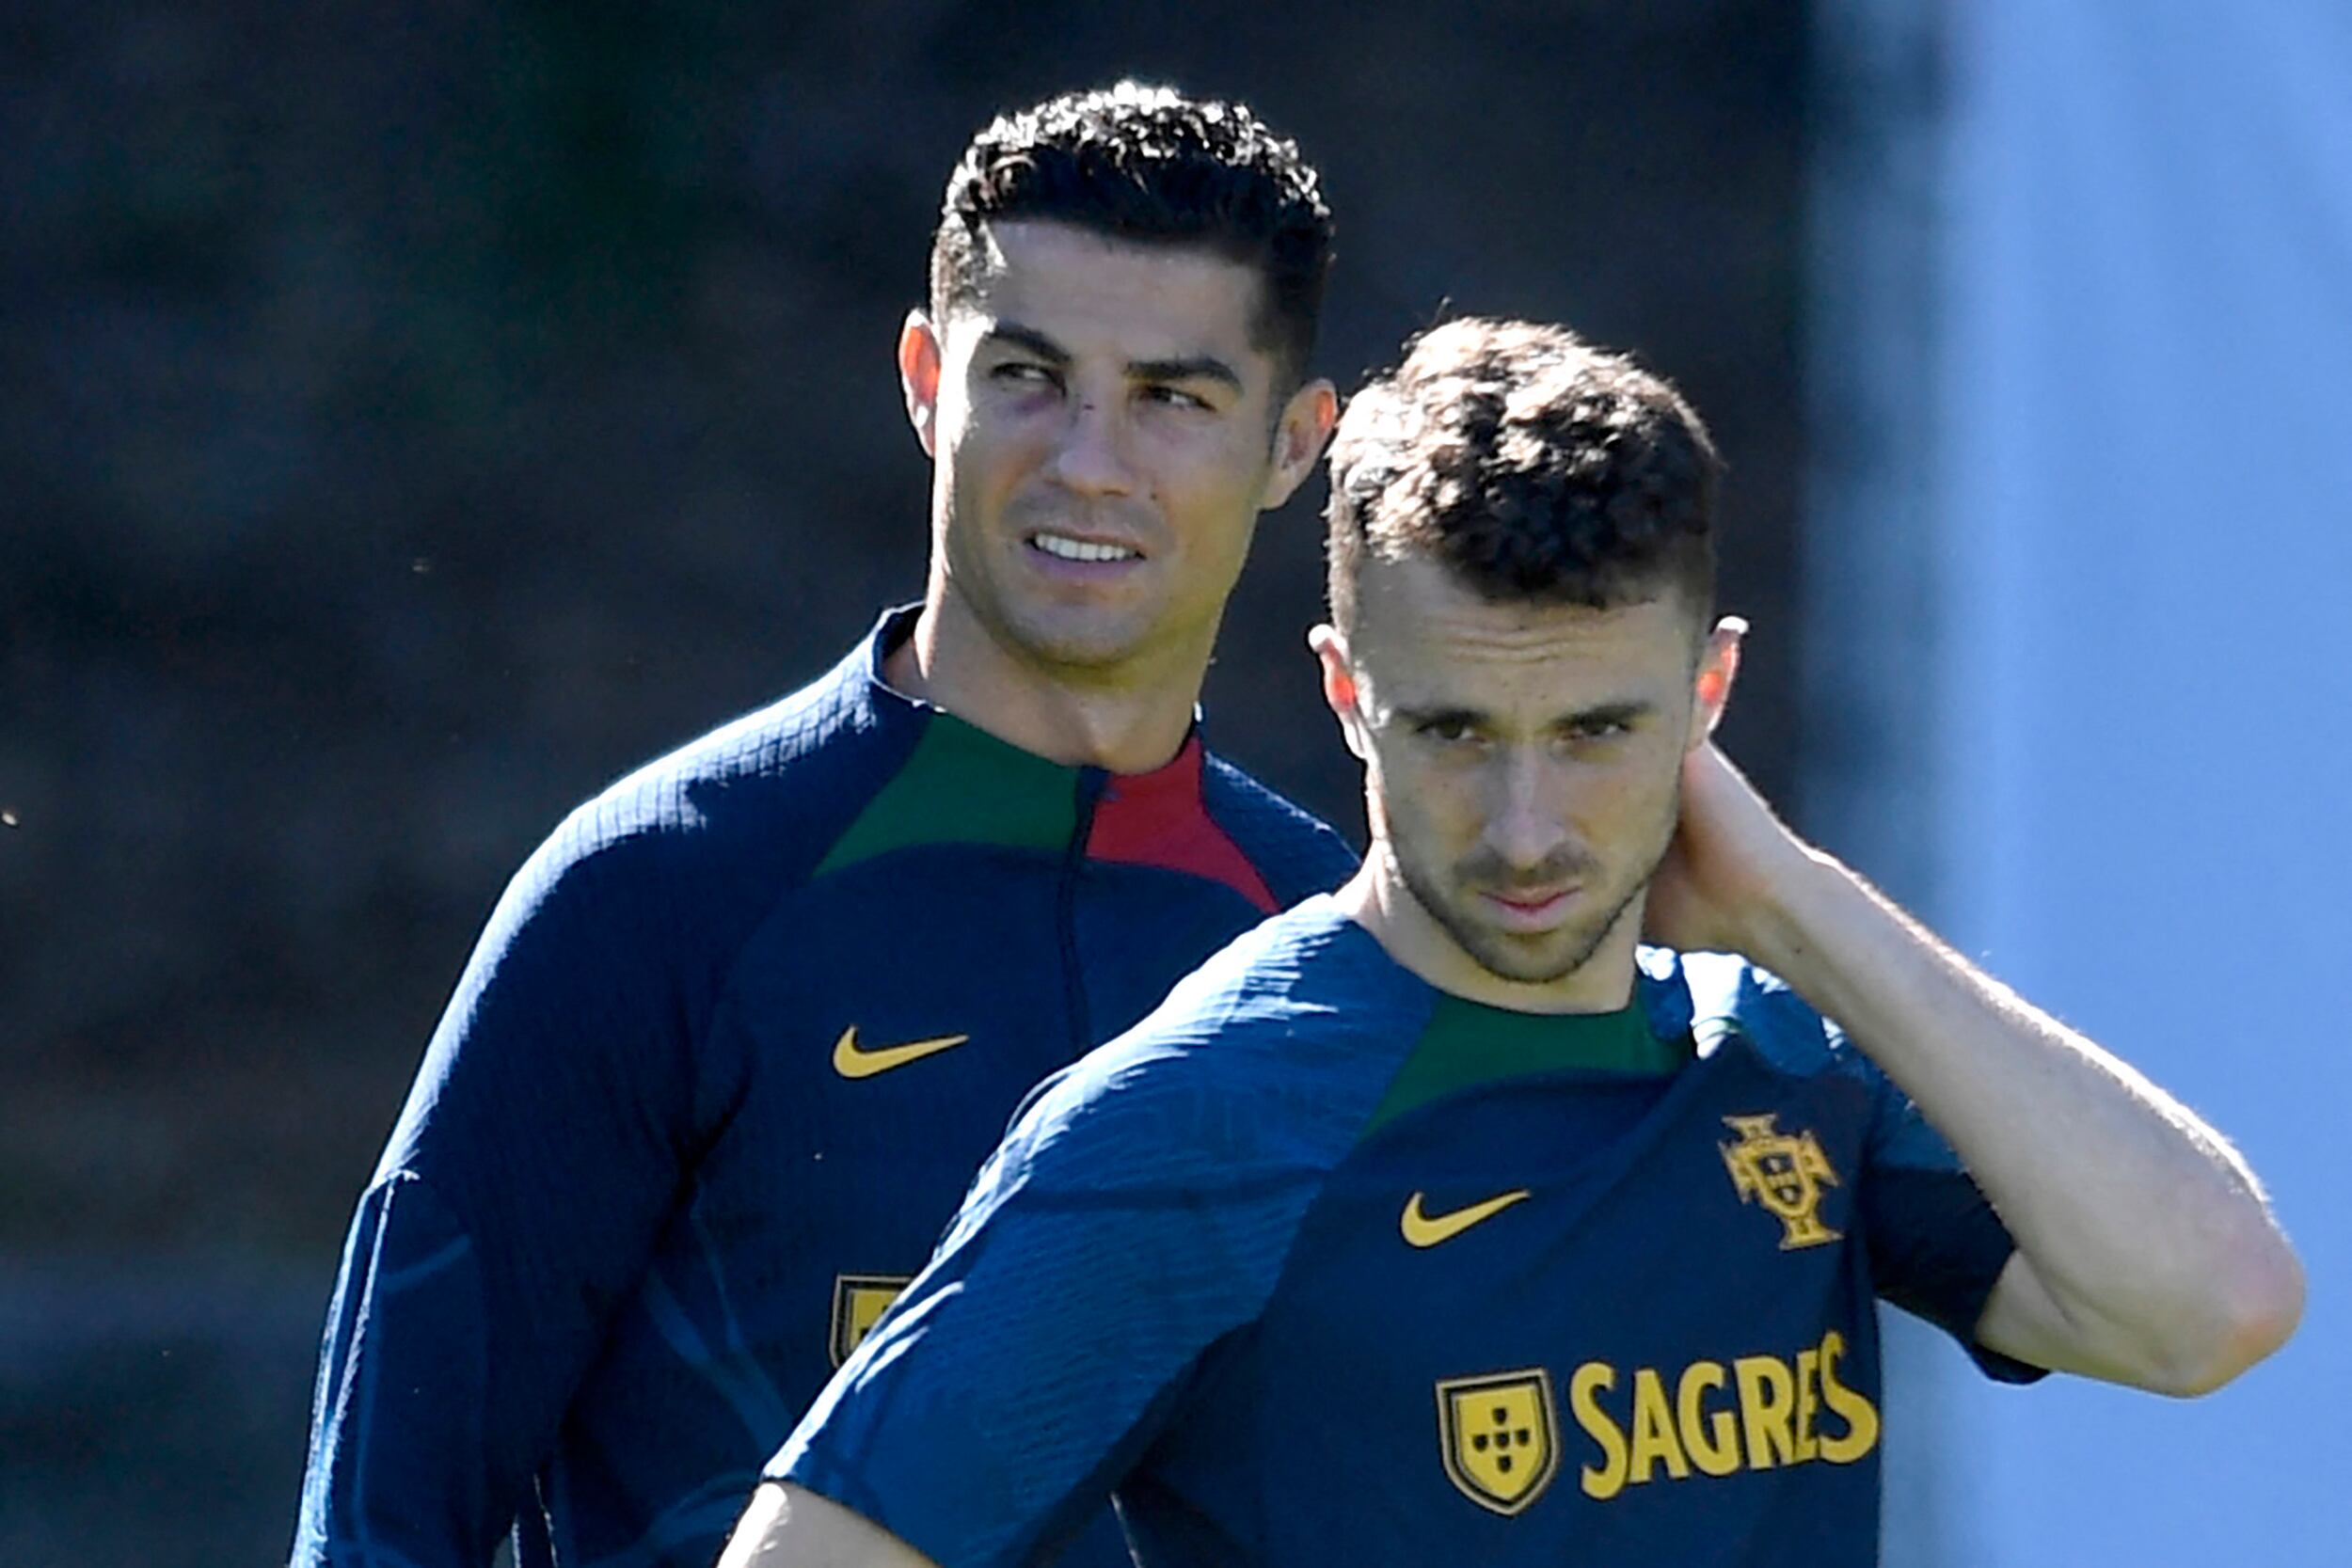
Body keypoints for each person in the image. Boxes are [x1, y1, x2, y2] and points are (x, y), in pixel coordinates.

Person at [725, 317, 2304, 1568]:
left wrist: (1799, 909)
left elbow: (2212, 1305)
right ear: (1350, 693)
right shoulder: (1198, 1127)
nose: (1528, 825)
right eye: (1458, 731)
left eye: (1601, 730)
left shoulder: (1790, 1057)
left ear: (1710, 693)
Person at [290, 84, 1356, 1568]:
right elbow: (382, 1525)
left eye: (1173, 397)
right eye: (1031, 377)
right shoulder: (659, 895)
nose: (1091, 463)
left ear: (1295, 445)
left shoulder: (1340, 952)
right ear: (928, 381)